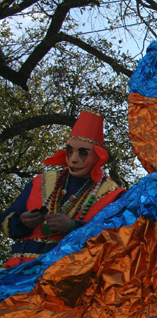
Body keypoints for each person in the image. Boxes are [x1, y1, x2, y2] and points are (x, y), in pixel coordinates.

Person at [1, 111, 125, 268]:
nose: (73, 158)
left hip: (70, 277)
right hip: (19, 272)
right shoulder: (41, 181)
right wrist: (21, 221)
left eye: (83, 153)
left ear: (97, 155)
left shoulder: (113, 194)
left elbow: (118, 240)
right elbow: (6, 224)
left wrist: (74, 227)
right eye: (70, 150)